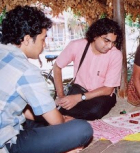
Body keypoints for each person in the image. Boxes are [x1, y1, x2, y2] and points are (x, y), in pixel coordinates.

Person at [0, 5, 93, 153]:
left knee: (40, 121)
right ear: (27, 40)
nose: (44, 45)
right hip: (6, 143)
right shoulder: (26, 70)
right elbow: (55, 121)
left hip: (8, 123)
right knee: (82, 129)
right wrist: (63, 121)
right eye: (43, 39)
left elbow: (17, 109)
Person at [53, 18, 123, 120]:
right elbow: (57, 66)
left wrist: (79, 98)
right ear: (95, 35)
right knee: (64, 106)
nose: (109, 46)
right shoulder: (76, 45)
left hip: (101, 94)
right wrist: (61, 96)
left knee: (95, 111)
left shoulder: (116, 55)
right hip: (79, 89)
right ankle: (70, 116)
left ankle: (73, 118)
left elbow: (108, 89)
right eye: (106, 40)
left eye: (113, 42)